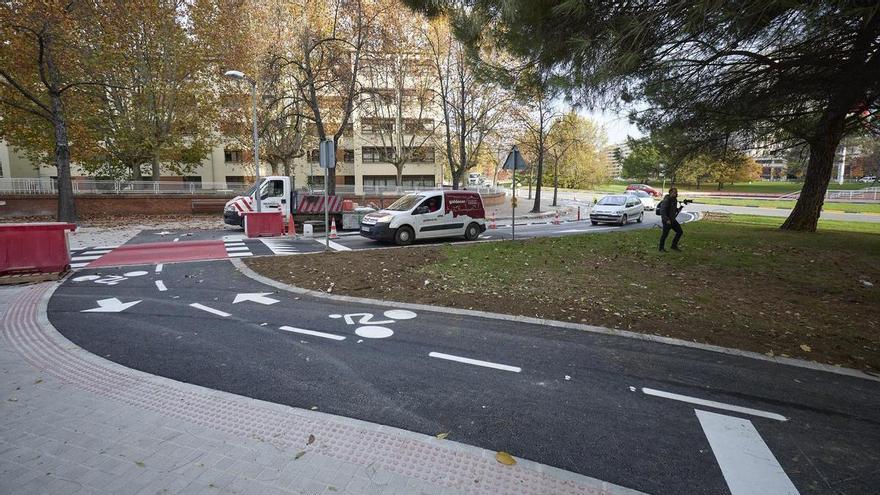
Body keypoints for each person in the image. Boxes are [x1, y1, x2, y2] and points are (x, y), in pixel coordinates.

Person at [658, 187, 683, 252]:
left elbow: (673, 210)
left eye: (676, 192)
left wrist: (679, 208)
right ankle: (661, 248)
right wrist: (667, 220)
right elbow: (662, 211)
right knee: (665, 235)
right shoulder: (667, 200)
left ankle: (673, 246)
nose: (675, 194)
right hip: (667, 221)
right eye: (674, 192)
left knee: (680, 232)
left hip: (672, 220)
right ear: (670, 192)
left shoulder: (674, 200)